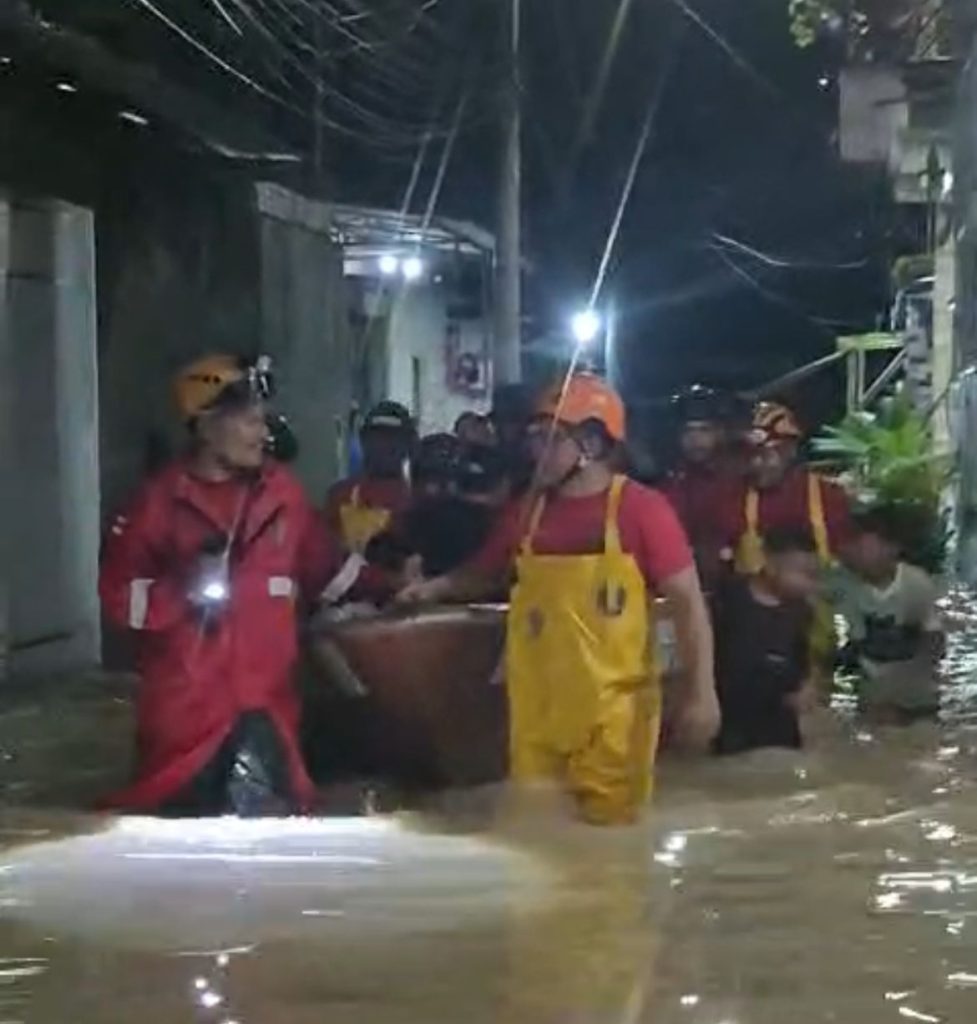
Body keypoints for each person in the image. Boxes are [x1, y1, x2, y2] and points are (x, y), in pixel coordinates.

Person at [398, 372, 719, 825]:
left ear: (590, 443)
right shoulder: (527, 511)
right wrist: (432, 590)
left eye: (549, 437)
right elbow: (485, 572)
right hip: (536, 722)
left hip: (613, 725)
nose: (536, 449)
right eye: (533, 437)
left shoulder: (642, 510)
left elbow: (688, 604)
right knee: (535, 841)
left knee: (610, 860)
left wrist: (700, 694)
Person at [99, 354, 337, 816]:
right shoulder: (158, 505)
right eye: (249, 422)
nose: (262, 434)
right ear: (206, 428)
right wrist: (183, 589)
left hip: (266, 712)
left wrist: (402, 587)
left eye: (262, 422)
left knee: (271, 846)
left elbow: (325, 568)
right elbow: (117, 598)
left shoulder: (284, 496)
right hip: (187, 723)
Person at [713, 529, 820, 755]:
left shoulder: (803, 612)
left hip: (779, 723)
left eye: (814, 576)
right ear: (771, 566)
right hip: (730, 719)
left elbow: (806, 661)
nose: (810, 584)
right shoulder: (729, 598)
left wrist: (807, 689)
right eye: (803, 574)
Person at [835, 508, 945, 721]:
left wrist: (909, 674)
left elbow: (934, 637)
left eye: (861, 545)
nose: (850, 550)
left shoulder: (915, 582)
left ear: (892, 548)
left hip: (916, 691)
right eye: (849, 544)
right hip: (871, 687)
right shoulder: (843, 583)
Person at [662, 385, 740, 589]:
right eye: (688, 431)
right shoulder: (671, 482)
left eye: (704, 430)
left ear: (720, 432)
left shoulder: (741, 478)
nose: (695, 440)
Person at [325, 400, 415, 555]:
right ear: (363, 441)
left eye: (393, 438)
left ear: (408, 445)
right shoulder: (340, 495)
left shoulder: (414, 503)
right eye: (377, 437)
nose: (384, 445)